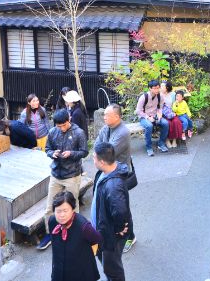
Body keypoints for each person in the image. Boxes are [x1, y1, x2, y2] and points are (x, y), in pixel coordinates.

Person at [37, 109, 89, 251]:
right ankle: (50, 234)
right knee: (49, 208)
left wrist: (71, 154)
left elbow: (85, 151)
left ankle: (74, 233)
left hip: (72, 175)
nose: (61, 128)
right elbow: (47, 149)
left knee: (73, 206)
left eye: (64, 125)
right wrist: (52, 153)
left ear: (69, 120)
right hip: (55, 175)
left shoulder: (78, 133)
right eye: (59, 126)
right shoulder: (53, 132)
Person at [93, 103, 137, 254]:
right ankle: (115, 231)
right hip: (109, 172)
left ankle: (130, 236)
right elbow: (97, 146)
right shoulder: (107, 127)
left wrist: (101, 150)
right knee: (111, 205)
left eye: (107, 115)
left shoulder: (123, 132)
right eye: (104, 114)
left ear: (117, 117)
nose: (104, 117)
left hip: (120, 174)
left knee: (122, 207)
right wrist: (101, 150)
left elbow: (106, 153)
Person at [92, 142, 134, 281]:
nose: (93, 159)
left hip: (111, 236)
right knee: (107, 262)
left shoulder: (113, 186)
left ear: (102, 162)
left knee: (113, 269)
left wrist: (119, 229)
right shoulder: (106, 172)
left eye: (94, 158)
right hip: (103, 230)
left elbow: (120, 212)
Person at [48, 190, 101, 281]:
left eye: (65, 210)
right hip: (59, 272)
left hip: (81, 274)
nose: (62, 215)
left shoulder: (83, 226)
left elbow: (98, 239)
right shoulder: (52, 221)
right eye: (58, 211)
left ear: (73, 210)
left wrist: (87, 254)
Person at [135, 79, 169, 156]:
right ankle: (149, 147)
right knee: (149, 126)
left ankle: (161, 143)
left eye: (158, 88)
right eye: (155, 88)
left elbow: (160, 107)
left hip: (155, 115)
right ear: (150, 88)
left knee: (165, 123)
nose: (157, 90)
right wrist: (147, 117)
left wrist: (159, 114)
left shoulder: (160, 96)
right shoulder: (144, 97)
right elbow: (138, 111)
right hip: (144, 117)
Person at [161, 80, 182, 148]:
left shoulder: (172, 94)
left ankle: (174, 140)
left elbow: (176, 103)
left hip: (172, 112)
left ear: (167, 87)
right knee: (167, 123)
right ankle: (167, 140)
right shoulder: (159, 94)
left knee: (176, 121)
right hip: (163, 113)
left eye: (162, 86)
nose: (160, 87)